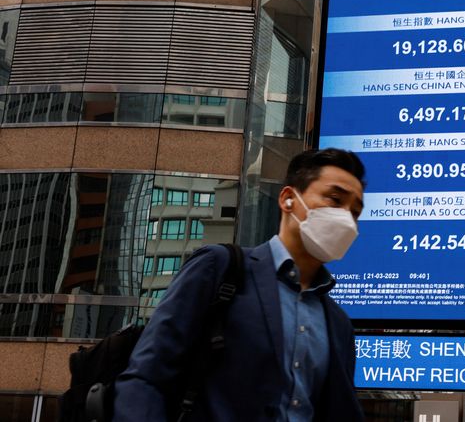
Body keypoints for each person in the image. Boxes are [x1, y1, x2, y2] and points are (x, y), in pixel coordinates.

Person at [113, 148, 367, 422]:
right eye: (335, 199)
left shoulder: (338, 324)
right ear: (288, 199)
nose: (346, 219)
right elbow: (147, 377)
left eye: (354, 212)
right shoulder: (220, 268)